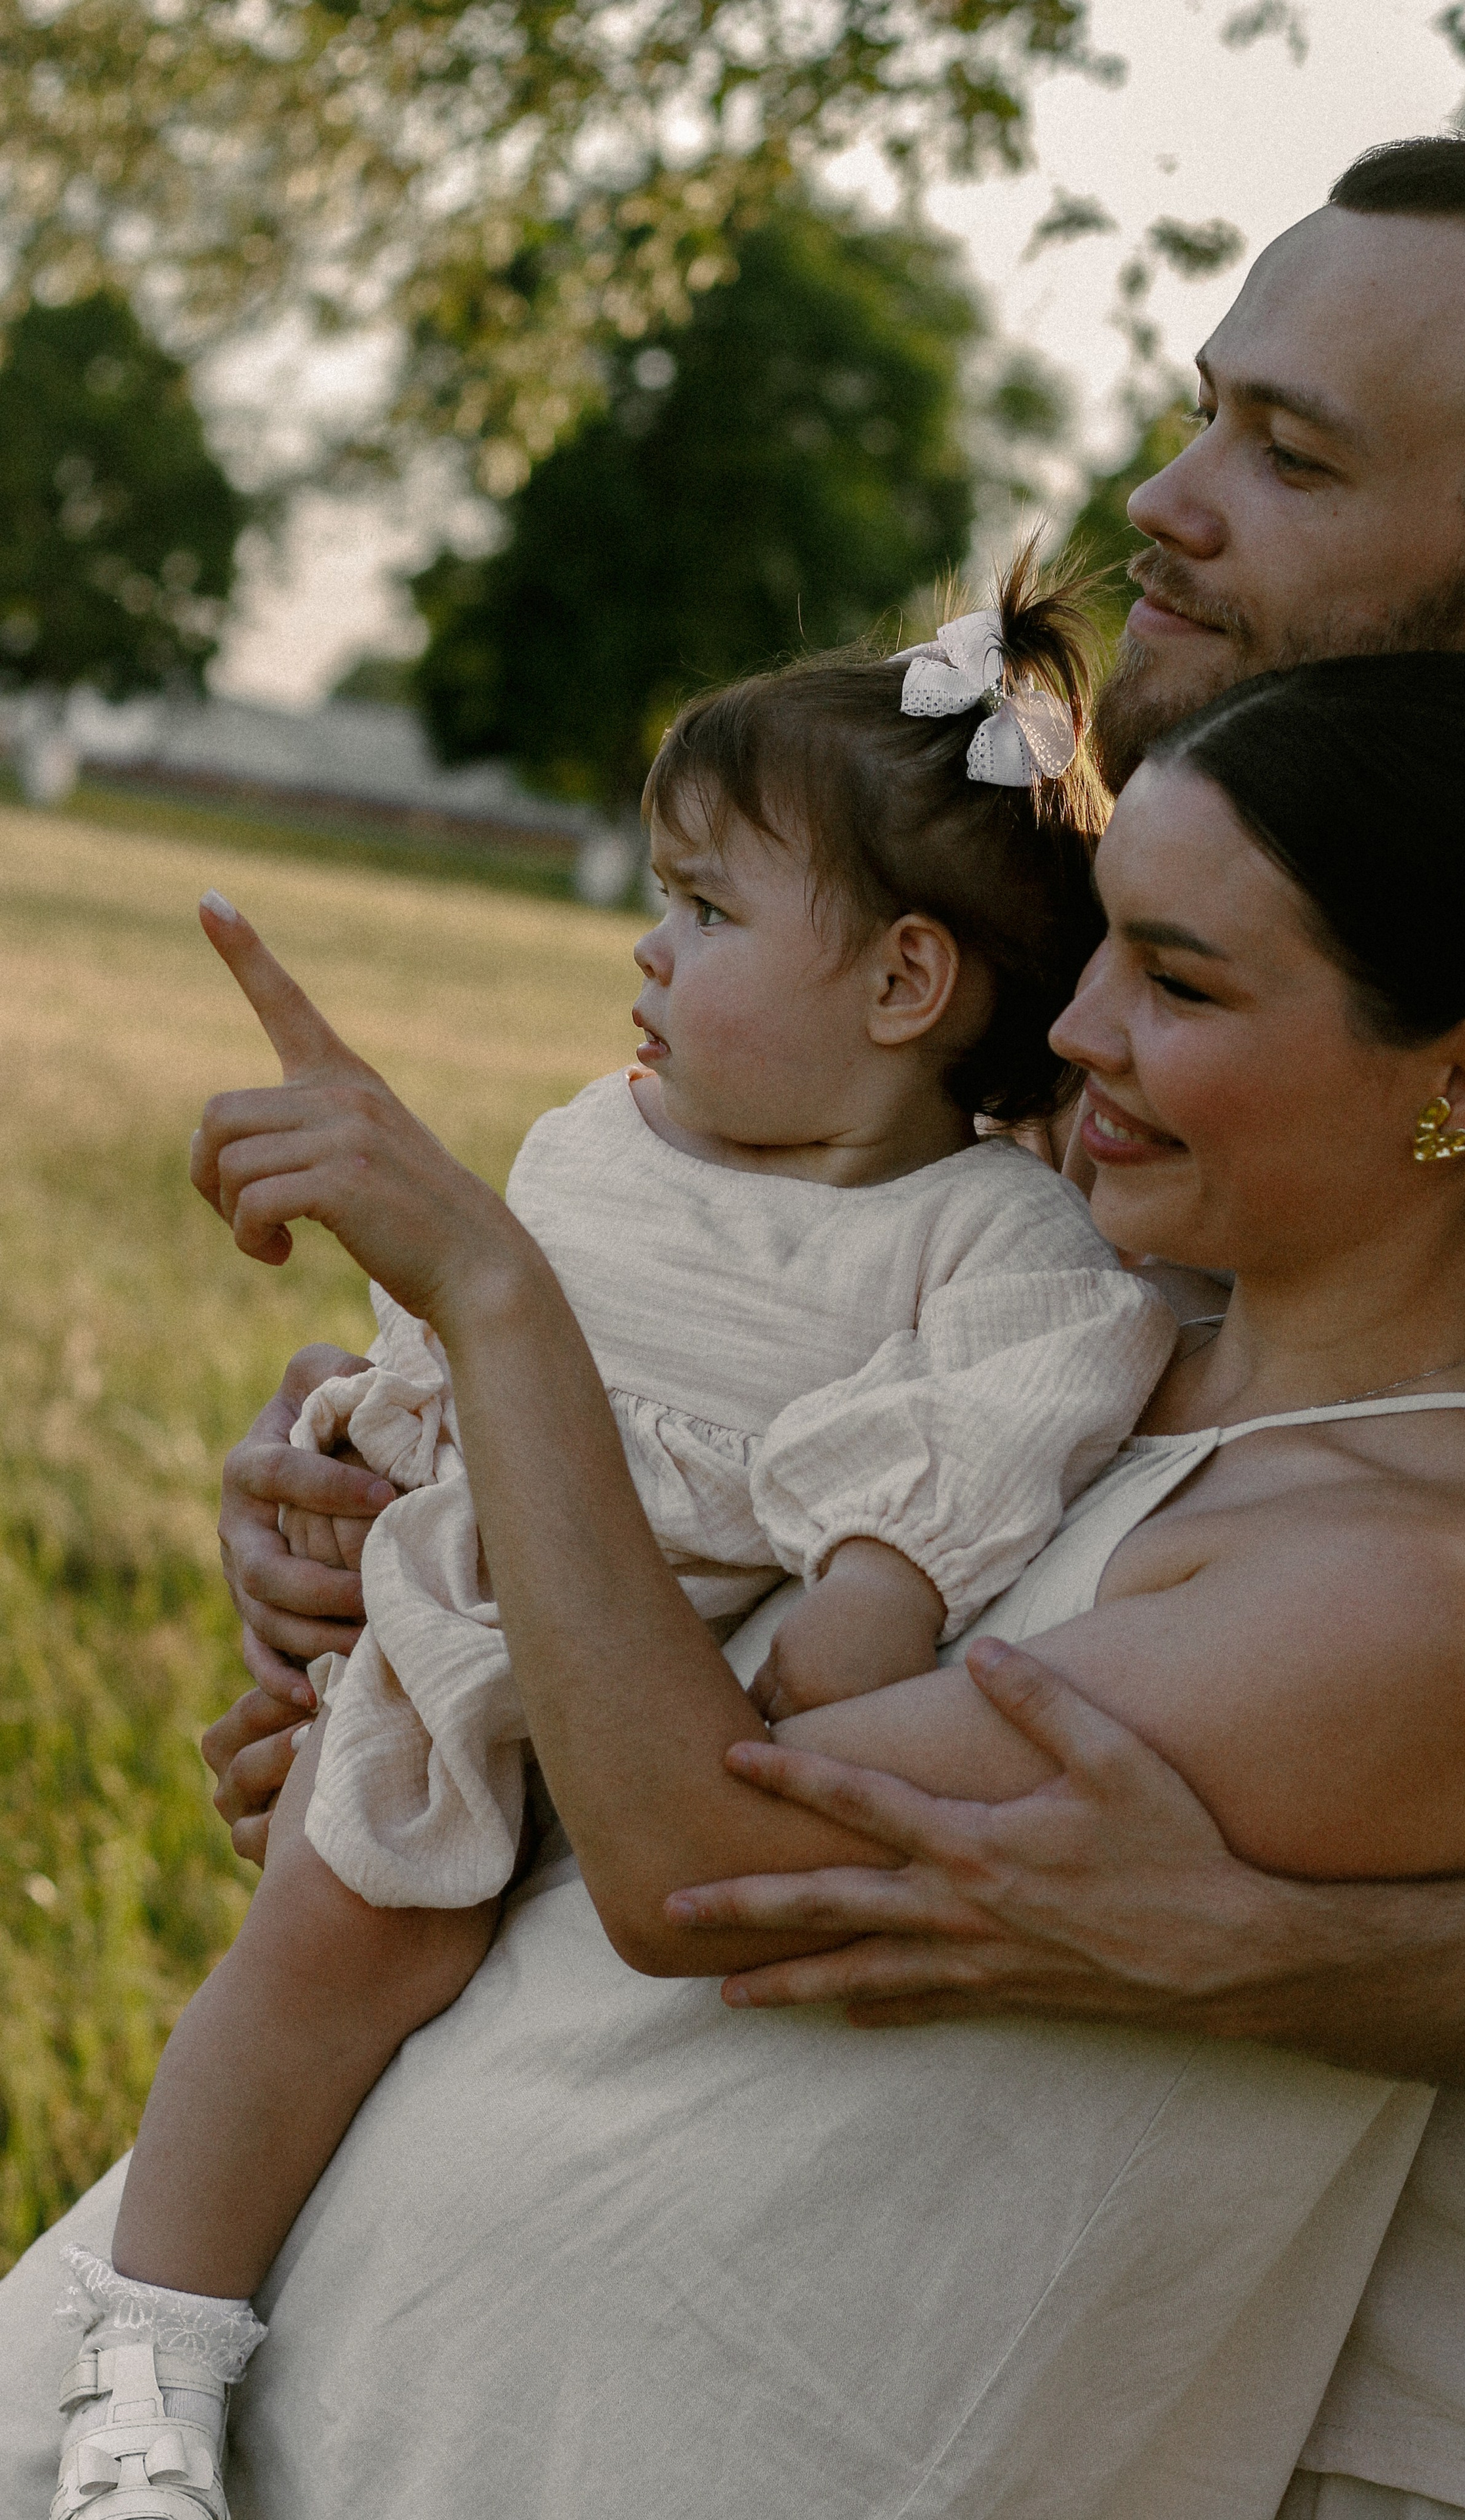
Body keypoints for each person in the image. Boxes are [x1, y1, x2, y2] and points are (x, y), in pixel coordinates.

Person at [190, 131, 1465, 2520]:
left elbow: (766, 1847)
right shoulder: (1159, 926)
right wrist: (402, 1569)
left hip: (1419, 2418)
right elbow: (768, 1496)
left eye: (1289, 455)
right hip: (657, 2254)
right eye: (1203, 409)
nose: (1165, 502)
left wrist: (1248, 1948)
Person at [45, 563, 1181, 2512]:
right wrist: (344, 1453)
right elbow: (444, 1364)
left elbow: (978, 1442)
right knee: (327, 1959)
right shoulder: (598, 1143)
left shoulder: (992, 1238)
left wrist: (863, 1602)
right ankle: (148, 2371)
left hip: (688, 1714)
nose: (651, 952)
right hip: (474, 1657)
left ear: (909, 985)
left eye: (709, 909)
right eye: (666, 897)